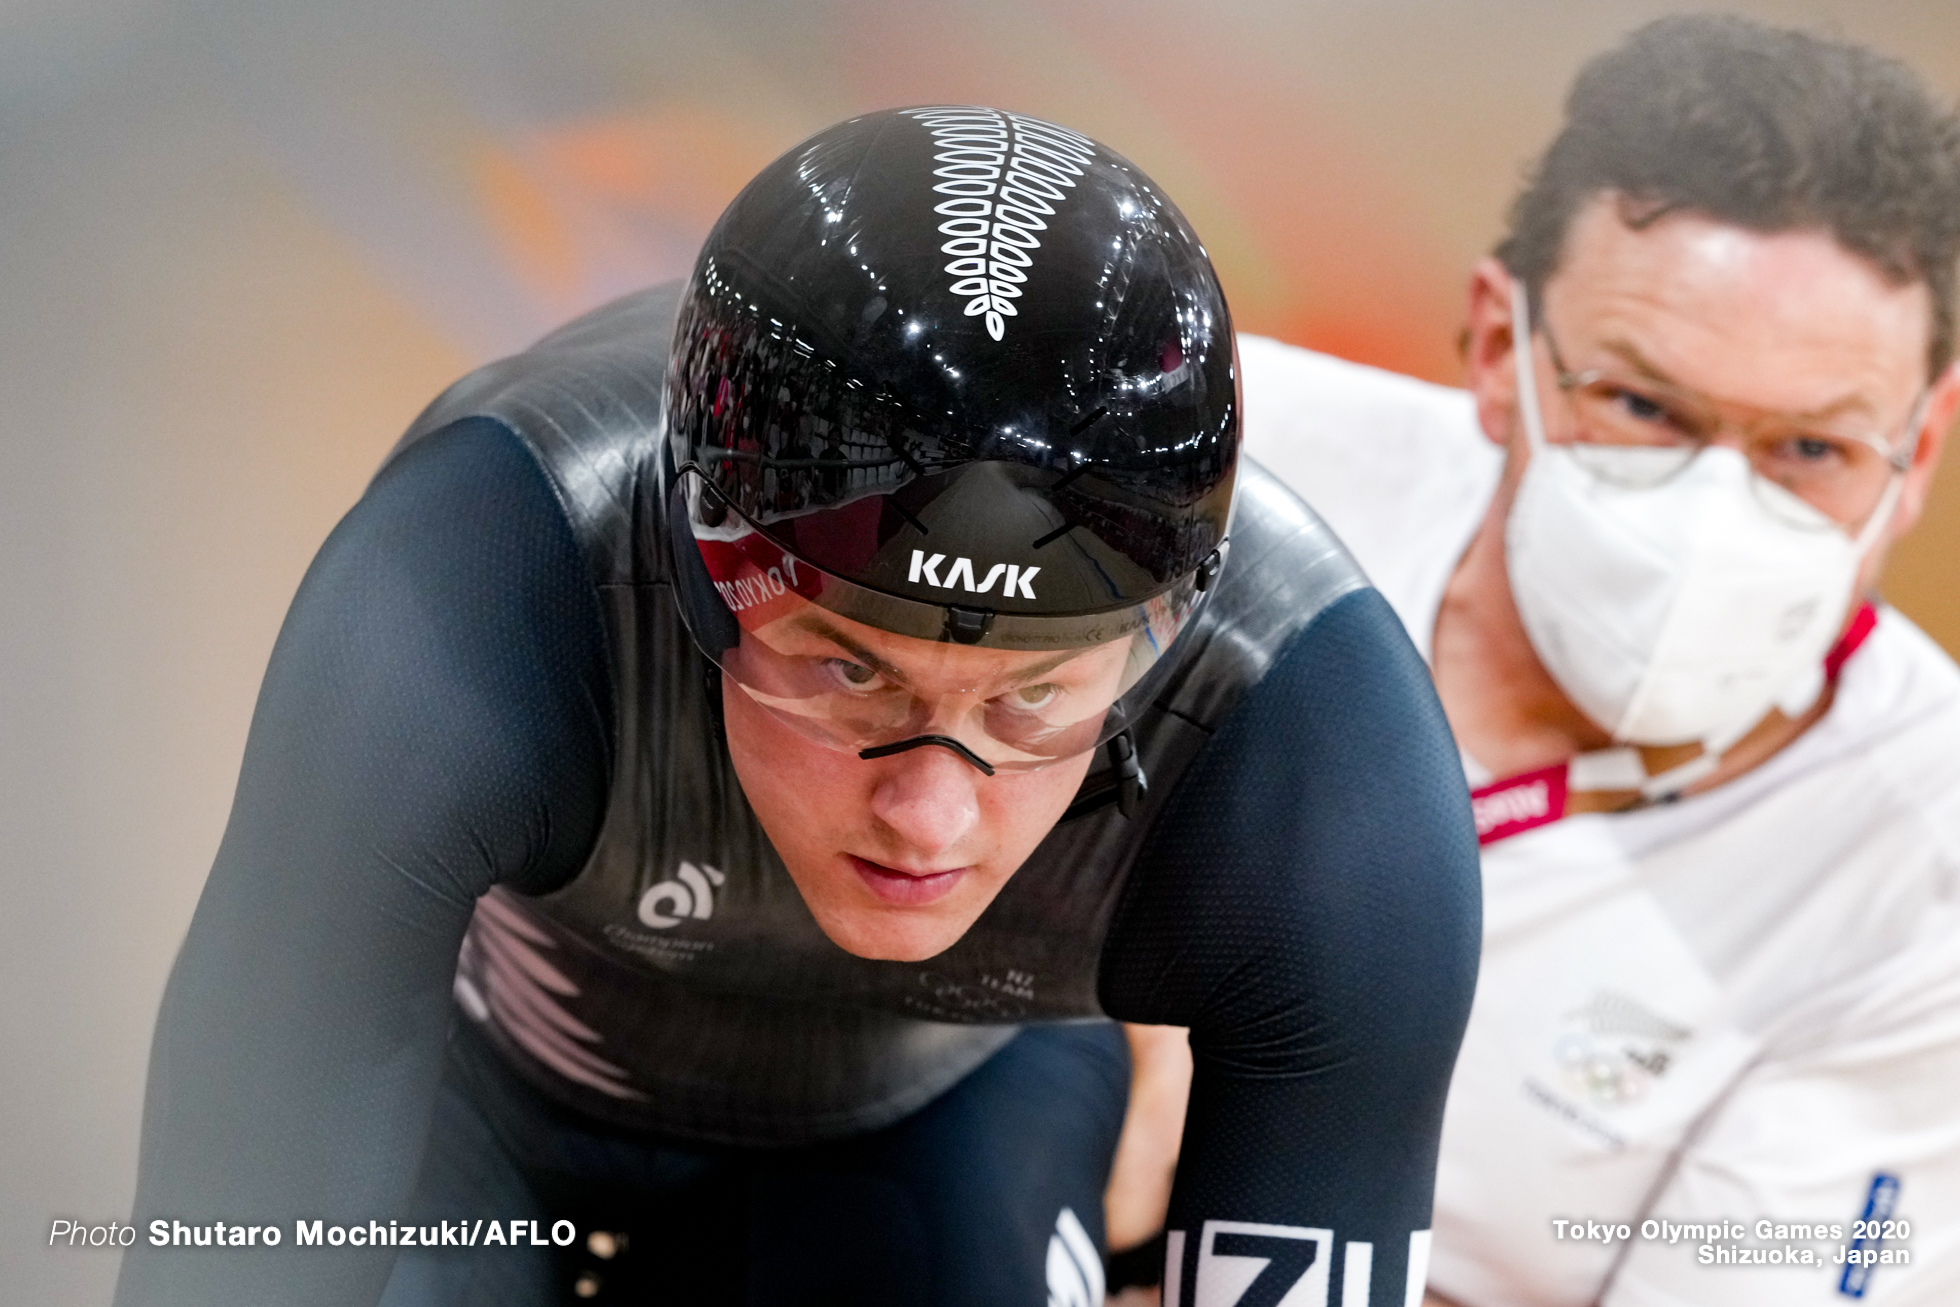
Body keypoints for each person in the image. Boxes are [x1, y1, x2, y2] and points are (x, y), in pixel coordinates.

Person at [114, 106, 1480, 1307]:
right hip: (480, 1096)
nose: (930, 808)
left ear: (1171, 641)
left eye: (1038, 699)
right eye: (850, 670)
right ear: (693, 580)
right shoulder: (486, 573)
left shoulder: (1316, 743)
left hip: (935, 1124)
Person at [1239, 16, 1960, 1306]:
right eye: (1640, 407)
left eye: (1813, 452)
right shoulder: (1228, 467)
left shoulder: (1925, 891)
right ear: (1499, 348)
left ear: (1925, 442)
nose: (1712, 517)